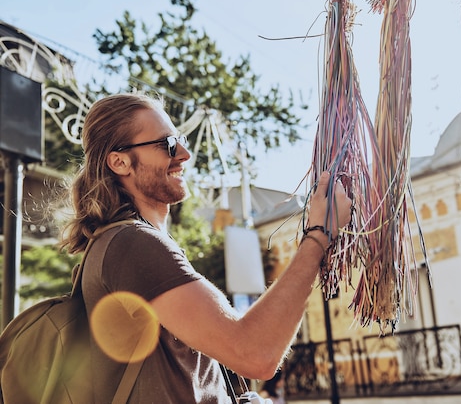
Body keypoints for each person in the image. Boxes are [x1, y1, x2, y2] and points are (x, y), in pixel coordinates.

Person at [59, 93, 352, 403]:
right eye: (168, 144)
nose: (184, 154)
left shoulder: (122, 243)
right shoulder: (133, 245)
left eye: (180, 140)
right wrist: (319, 234)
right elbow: (255, 352)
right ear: (120, 161)